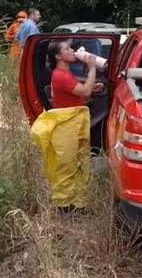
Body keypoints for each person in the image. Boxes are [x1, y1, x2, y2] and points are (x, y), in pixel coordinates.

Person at [29, 40, 100, 212]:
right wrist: (92, 68)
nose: (72, 51)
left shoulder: (64, 74)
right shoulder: (61, 75)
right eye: (68, 49)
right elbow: (84, 92)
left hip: (72, 124)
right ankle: (64, 206)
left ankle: (78, 203)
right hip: (65, 126)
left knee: (79, 163)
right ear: (58, 56)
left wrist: (92, 87)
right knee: (67, 165)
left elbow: (79, 93)